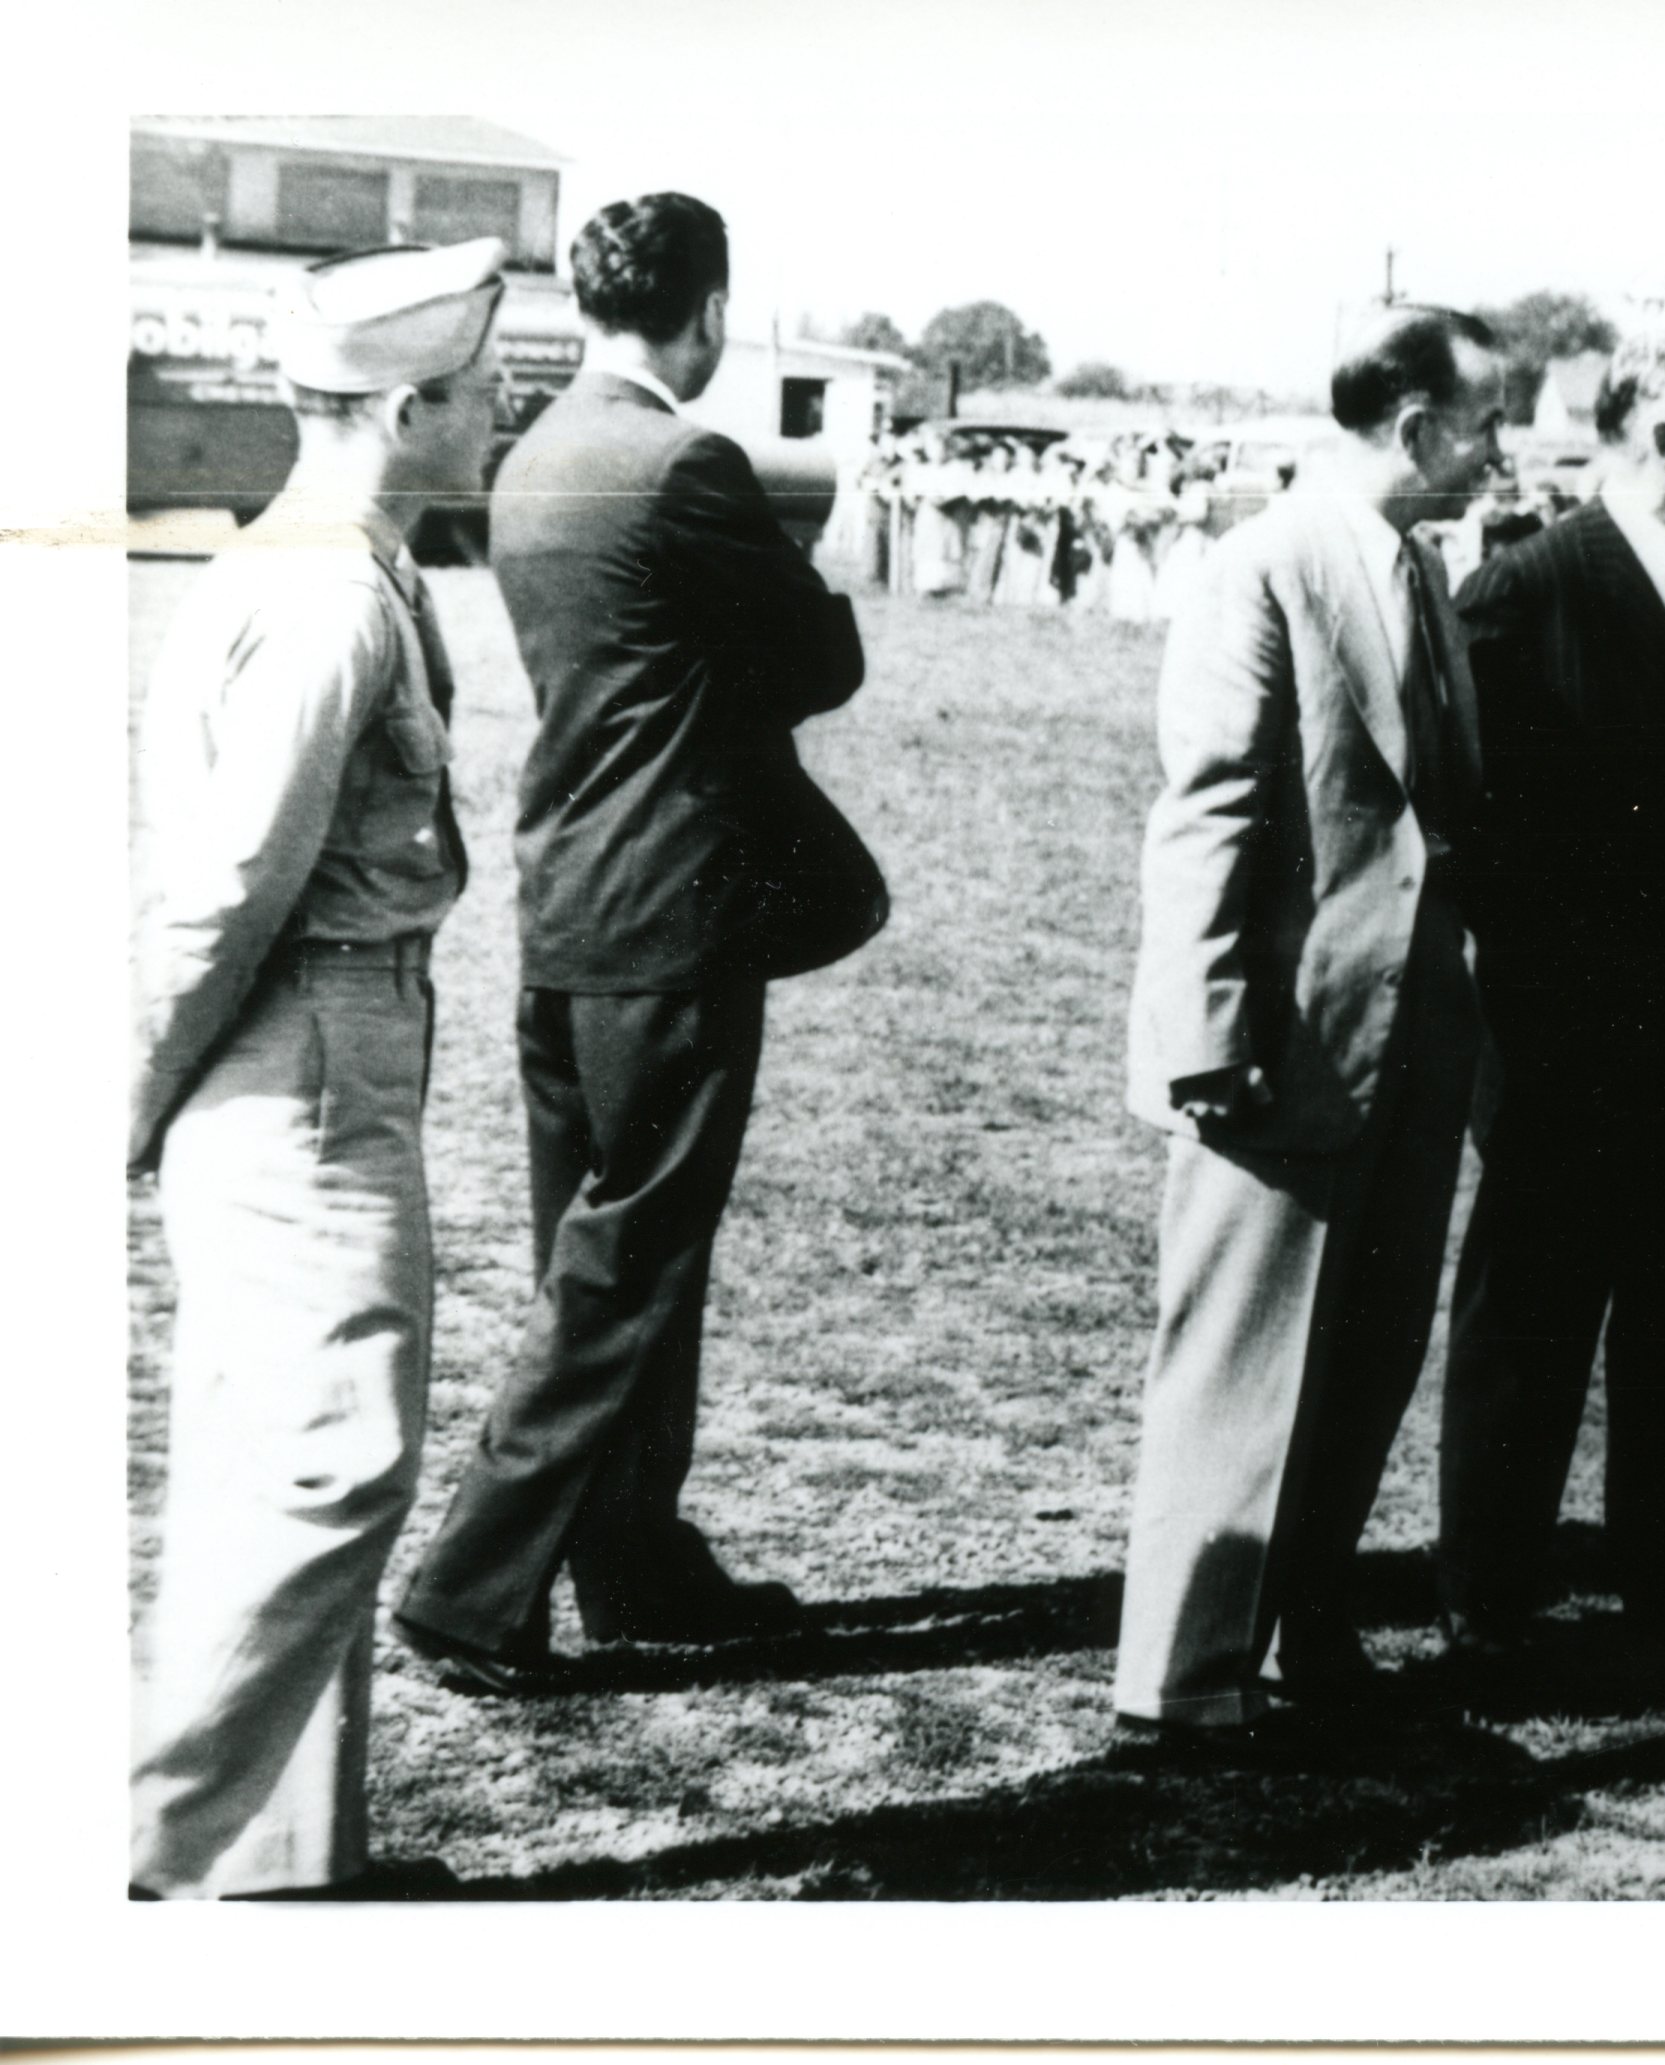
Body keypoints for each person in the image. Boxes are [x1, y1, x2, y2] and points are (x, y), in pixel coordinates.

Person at [394, 193, 887, 1692]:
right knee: (629, 1263)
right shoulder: (686, 461)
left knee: (606, 1250)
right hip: (673, 919)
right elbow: (820, 658)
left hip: (568, 907)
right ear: (711, 310)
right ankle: (471, 1590)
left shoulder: (539, 454)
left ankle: (630, 1559)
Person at [127, 238, 509, 1895]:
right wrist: (127, 1100)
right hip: (304, 1052)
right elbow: (225, 894)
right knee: (331, 1458)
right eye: (484, 390)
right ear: (408, 411)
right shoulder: (332, 600)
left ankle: (283, 1868)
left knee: (263, 1451)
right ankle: (138, 1860)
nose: (503, 414)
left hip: (322, 1040)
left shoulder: (326, 564)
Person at [1112, 305, 1507, 1750]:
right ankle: (1177, 1683)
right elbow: (1209, 810)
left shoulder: (1419, 568)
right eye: (1486, 425)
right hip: (1283, 1044)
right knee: (1238, 1360)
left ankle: (1303, 1632)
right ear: (1416, 428)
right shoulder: (1264, 566)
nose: (1501, 452)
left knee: (1367, 1350)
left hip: (1413, 1039)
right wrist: (1206, 1034)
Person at [1431, 332, 1665, 1685]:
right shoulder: (1526, 592)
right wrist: (1549, 1000)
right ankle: (1490, 1597)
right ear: (1658, 438)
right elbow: (1485, 836)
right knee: (1530, 1319)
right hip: (1567, 1044)